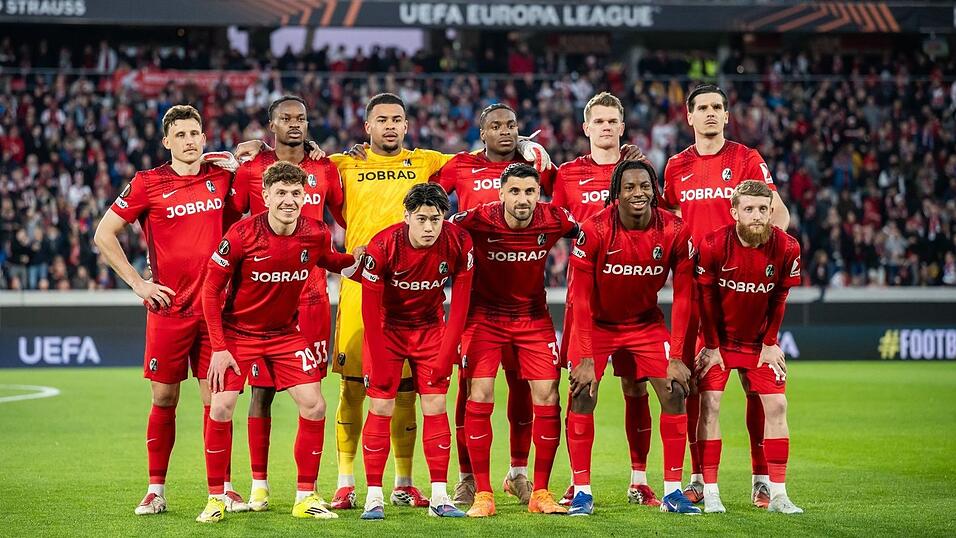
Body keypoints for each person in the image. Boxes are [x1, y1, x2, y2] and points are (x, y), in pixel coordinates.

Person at [93, 105, 247, 516]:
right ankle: (156, 490)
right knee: (163, 398)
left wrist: (257, 149)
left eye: (195, 132)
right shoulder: (147, 183)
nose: (189, 140)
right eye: (180, 134)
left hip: (215, 311)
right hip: (170, 310)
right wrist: (139, 284)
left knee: (217, 402)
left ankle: (224, 489)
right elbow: (104, 233)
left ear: (203, 135)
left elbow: (263, 166)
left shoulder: (221, 175)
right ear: (167, 141)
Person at [197, 161, 363, 523]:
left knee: (315, 405)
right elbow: (210, 290)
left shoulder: (316, 232)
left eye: (295, 193)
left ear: (305, 196)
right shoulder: (241, 234)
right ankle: (215, 498)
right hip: (238, 334)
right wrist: (219, 348)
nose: (289, 200)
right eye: (281, 193)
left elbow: (329, 260)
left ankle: (306, 496)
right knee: (221, 407)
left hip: (285, 334)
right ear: (266, 196)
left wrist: (359, 260)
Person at [663, 84, 791, 507]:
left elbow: (779, 213)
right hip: (697, 292)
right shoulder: (676, 166)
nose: (711, 113)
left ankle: (760, 478)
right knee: (698, 388)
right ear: (690, 116)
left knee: (758, 389)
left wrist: (763, 259)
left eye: (718, 106)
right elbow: (673, 226)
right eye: (703, 108)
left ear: (727, 115)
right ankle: (698, 477)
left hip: (744, 292)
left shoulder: (747, 160)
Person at [430, 102, 552, 506]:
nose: (505, 131)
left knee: (524, 390)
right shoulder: (460, 166)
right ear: (481, 133)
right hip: (478, 305)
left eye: (512, 124)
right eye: (495, 126)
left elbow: (572, 199)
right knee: (472, 391)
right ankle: (467, 477)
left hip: (528, 305)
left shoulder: (535, 164)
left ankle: (518, 473)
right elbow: (427, 197)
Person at [228, 95, 344, 512]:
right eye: (286, 118)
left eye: (302, 118)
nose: (295, 124)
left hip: (312, 299)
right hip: (262, 303)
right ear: (271, 124)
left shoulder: (325, 167)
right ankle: (259, 484)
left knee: (310, 396)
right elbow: (229, 223)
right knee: (261, 391)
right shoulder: (251, 168)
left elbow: (346, 217)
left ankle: (306, 490)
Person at [564, 160, 698, 516]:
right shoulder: (594, 229)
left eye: (644, 187)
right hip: (597, 324)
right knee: (582, 393)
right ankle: (581, 491)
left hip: (645, 324)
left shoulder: (674, 229)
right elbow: (578, 295)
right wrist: (587, 358)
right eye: (629, 187)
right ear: (616, 193)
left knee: (674, 391)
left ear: (654, 191)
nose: (638, 193)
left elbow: (684, 295)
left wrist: (679, 355)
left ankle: (672, 492)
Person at [552, 91, 659, 507]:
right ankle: (579, 484)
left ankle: (639, 480)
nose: (607, 127)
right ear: (586, 128)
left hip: (635, 303)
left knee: (638, 388)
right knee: (583, 389)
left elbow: (659, 217)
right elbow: (559, 223)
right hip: (587, 305)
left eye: (613, 121)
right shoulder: (567, 175)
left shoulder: (642, 172)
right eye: (599, 121)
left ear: (622, 126)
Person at [453, 163, 578, 517]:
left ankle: (540, 491)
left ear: (538, 194)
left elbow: (589, 230)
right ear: (501, 193)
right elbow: (440, 232)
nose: (522, 199)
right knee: (479, 393)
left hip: (533, 319)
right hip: (484, 318)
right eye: (515, 191)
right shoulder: (477, 219)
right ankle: (483, 494)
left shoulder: (553, 219)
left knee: (548, 395)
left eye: (529, 192)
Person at [358, 183, 474, 520]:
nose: (428, 227)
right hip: (387, 329)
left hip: (430, 329)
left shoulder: (458, 242)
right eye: (421, 219)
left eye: (435, 219)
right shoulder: (383, 246)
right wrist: (379, 360)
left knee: (436, 403)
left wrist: (446, 353)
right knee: (381, 405)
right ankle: (374, 497)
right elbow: (369, 310)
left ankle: (439, 496)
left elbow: (462, 304)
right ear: (407, 216)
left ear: (444, 218)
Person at [694, 180, 803, 515]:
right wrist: (712, 346)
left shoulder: (787, 247)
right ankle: (710, 491)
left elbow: (780, 298)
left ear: (772, 211)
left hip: (759, 344)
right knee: (709, 405)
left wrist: (770, 343)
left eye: (763, 209)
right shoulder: (713, 245)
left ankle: (778, 493)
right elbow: (706, 299)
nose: (757, 216)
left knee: (778, 406)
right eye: (749, 209)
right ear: (735, 212)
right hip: (718, 341)